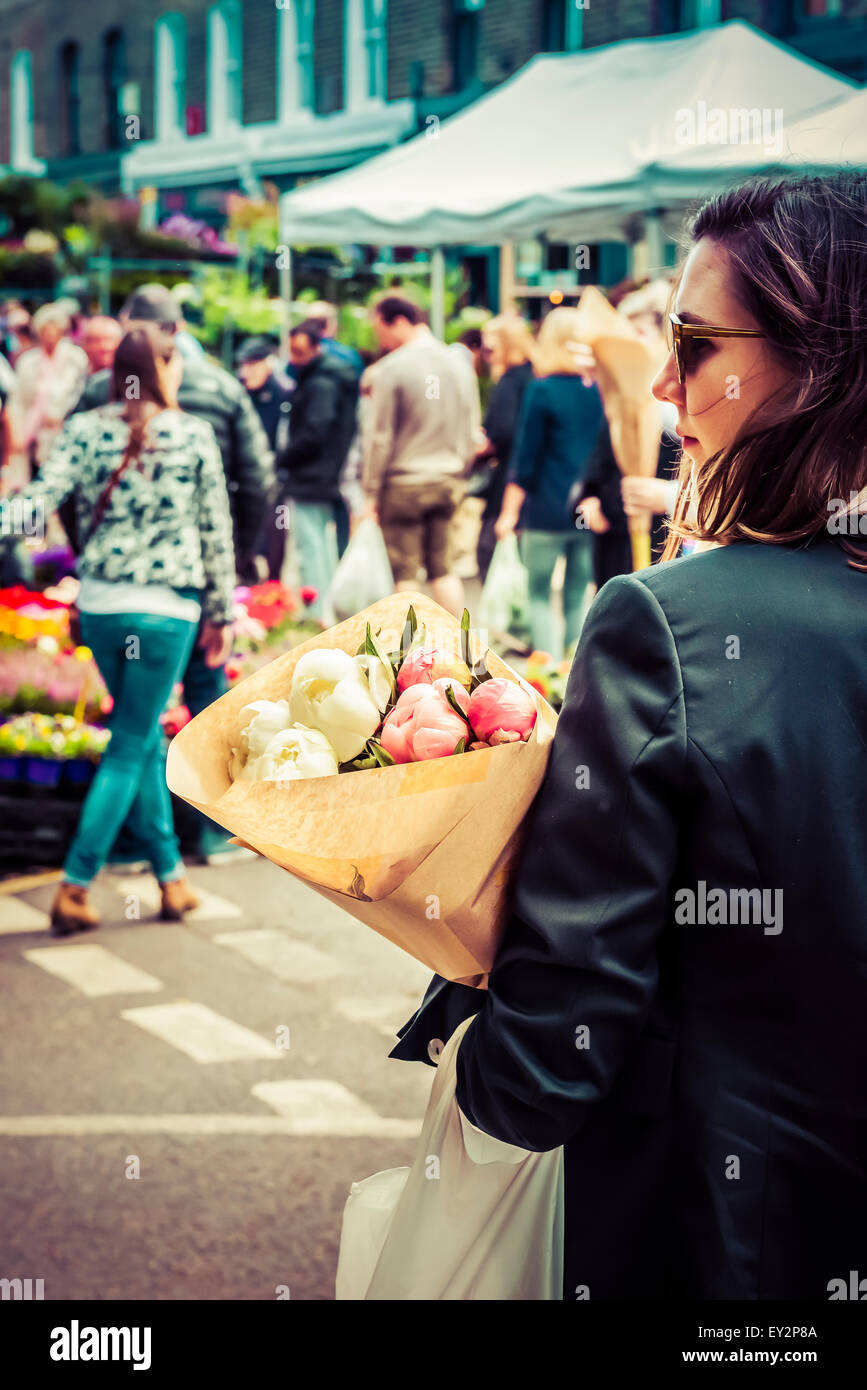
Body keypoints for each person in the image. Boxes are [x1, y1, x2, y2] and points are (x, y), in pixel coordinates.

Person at [394, 170, 867, 1300]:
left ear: (816, 363)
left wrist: (467, 1033)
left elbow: (559, 1045)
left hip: (726, 1235)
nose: (662, 382)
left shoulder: (671, 623)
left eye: (694, 344)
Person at [0, 325, 237, 933]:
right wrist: (222, 616)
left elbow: (40, 498)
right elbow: (216, 533)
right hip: (167, 612)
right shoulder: (192, 435)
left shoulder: (86, 429)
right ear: (161, 367)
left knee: (141, 735)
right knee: (132, 741)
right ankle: (76, 886)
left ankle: (171, 879)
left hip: (103, 607)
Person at [72, 284, 275, 864]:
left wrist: (93, 548)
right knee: (206, 707)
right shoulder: (224, 387)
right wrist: (233, 565)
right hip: (188, 584)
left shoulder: (100, 391)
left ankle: (139, 849)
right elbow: (257, 480)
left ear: (133, 325)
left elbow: (67, 479)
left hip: (117, 586)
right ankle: (206, 835)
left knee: (136, 723)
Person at [494, 306, 604, 658]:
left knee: (538, 594)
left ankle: (547, 673)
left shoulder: (542, 390)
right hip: (588, 509)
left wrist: (507, 513)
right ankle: (574, 676)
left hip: (545, 508)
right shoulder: (599, 390)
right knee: (577, 596)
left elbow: (526, 459)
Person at [363, 295, 481, 618]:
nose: (380, 339)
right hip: (448, 481)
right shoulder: (460, 365)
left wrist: (370, 493)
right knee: (444, 570)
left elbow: (380, 437)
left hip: (404, 485)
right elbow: (473, 431)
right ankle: (461, 653)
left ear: (398, 322)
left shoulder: (391, 368)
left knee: (405, 576)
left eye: (380, 329)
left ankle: (411, 658)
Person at [577, 282, 680, 586]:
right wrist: (590, 497)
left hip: (663, 542)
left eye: (640, 335)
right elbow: (603, 456)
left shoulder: (680, 401)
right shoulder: (619, 395)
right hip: (614, 535)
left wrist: (666, 495)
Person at [280, 319, 358, 615]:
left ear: (316, 347)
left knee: (312, 548)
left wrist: (285, 457)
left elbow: (315, 431)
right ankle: (324, 610)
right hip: (322, 476)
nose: (293, 358)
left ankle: (318, 613)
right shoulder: (325, 377)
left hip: (313, 477)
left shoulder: (321, 382)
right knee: (320, 547)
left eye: (299, 351)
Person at [473, 314, 536, 581]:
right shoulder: (536, 374)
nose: (487, 356)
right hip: (535, 482)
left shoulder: (510, 381)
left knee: (489, 552)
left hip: (509, 480)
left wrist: (483, 446)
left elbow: (504, 431)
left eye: (491, 348)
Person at [5, 303, 89, 491]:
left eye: (53, 331)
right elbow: (18, 401)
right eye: (45, 331)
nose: (49, 336)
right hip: (31, 436)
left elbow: (77, 395)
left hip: (63, 434)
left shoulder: (75, 358)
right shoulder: (28, 361)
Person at [235, 336, 294, 582]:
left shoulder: (285, 391)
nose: (245, 371)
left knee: (276, 529)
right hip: (246, 474)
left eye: (251, 365)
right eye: (243, 365)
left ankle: (273, 586)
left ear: (266, 364)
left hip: (278, 474)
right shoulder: (238, 391)